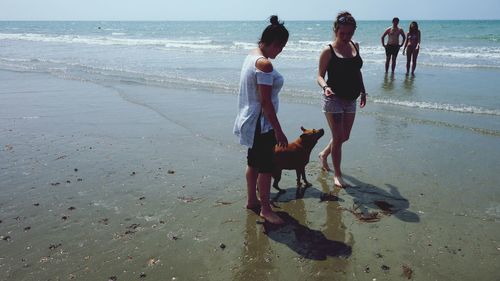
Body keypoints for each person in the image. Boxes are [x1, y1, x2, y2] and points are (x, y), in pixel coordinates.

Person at [233, 15, 289, 224]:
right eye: (281, 47)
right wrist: (279, 130)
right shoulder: (264, 64)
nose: (281, 51)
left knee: (253, 162)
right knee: (266, 167)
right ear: (274, 43)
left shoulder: (252, 56)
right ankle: (265, 208)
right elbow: (266, 103)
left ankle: (252, 200)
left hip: (249, 119)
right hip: (261, 123)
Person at [317, 12, 367, 188]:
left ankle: (323, 154)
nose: (346, 37)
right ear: (336, 30)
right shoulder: (328, 51)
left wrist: (363, 91)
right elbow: (319, 76)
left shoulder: (355, 46)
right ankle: (337, 174)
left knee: (344, 136)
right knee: (338, 137)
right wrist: (325, 87)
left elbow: (357, 71)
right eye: (342, 33)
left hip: (351, 98)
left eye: (349, 33)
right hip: (333, 99)